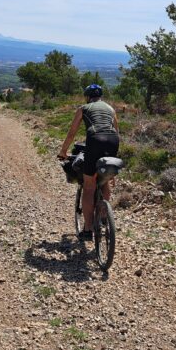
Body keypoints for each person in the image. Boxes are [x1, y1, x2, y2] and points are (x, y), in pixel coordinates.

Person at [58, 84, 119, 240]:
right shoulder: (111, 109)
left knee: (89, 186)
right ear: (101, 96)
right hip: (113, 141)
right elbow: (117, 132)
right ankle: (104, 215)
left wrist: (63, 151)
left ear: (87, 96)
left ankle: (88, 229)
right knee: (104, 181)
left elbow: (72, 132)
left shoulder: (84, 108)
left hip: (95, 140)